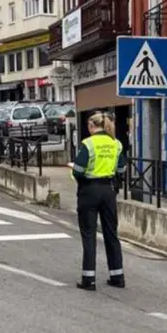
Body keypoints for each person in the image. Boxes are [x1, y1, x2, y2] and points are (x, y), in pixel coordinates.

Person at [71, 111, 127, 291]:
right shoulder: (116, 143)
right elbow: (122, 168)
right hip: (109, 190)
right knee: (111, 234)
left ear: (91, 126)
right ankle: (117, 276)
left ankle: (89, 279)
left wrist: (83, 181)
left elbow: (78, 170)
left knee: (89, 235)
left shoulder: (88, 144)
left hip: (90, 190)